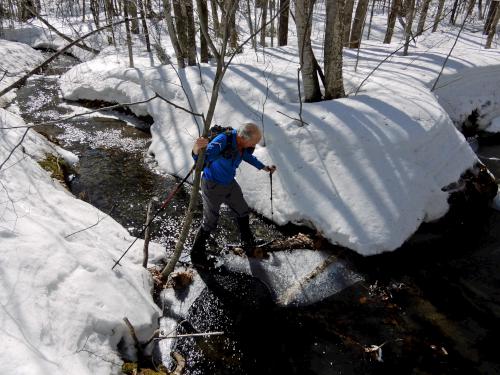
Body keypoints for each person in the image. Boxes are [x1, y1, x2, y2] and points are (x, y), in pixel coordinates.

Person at [190, 122, 276, 266]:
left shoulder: (242, 144)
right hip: (212, 185)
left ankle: (248, 245)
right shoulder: (223, 141)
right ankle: (196, 255)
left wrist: (263, 167)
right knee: (210, 222)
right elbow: (200, 160)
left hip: (229, 183)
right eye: (254, 143)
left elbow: (247, 156)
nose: (254, 146)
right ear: (245, 139)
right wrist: (196, 148)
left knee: (243, 211)